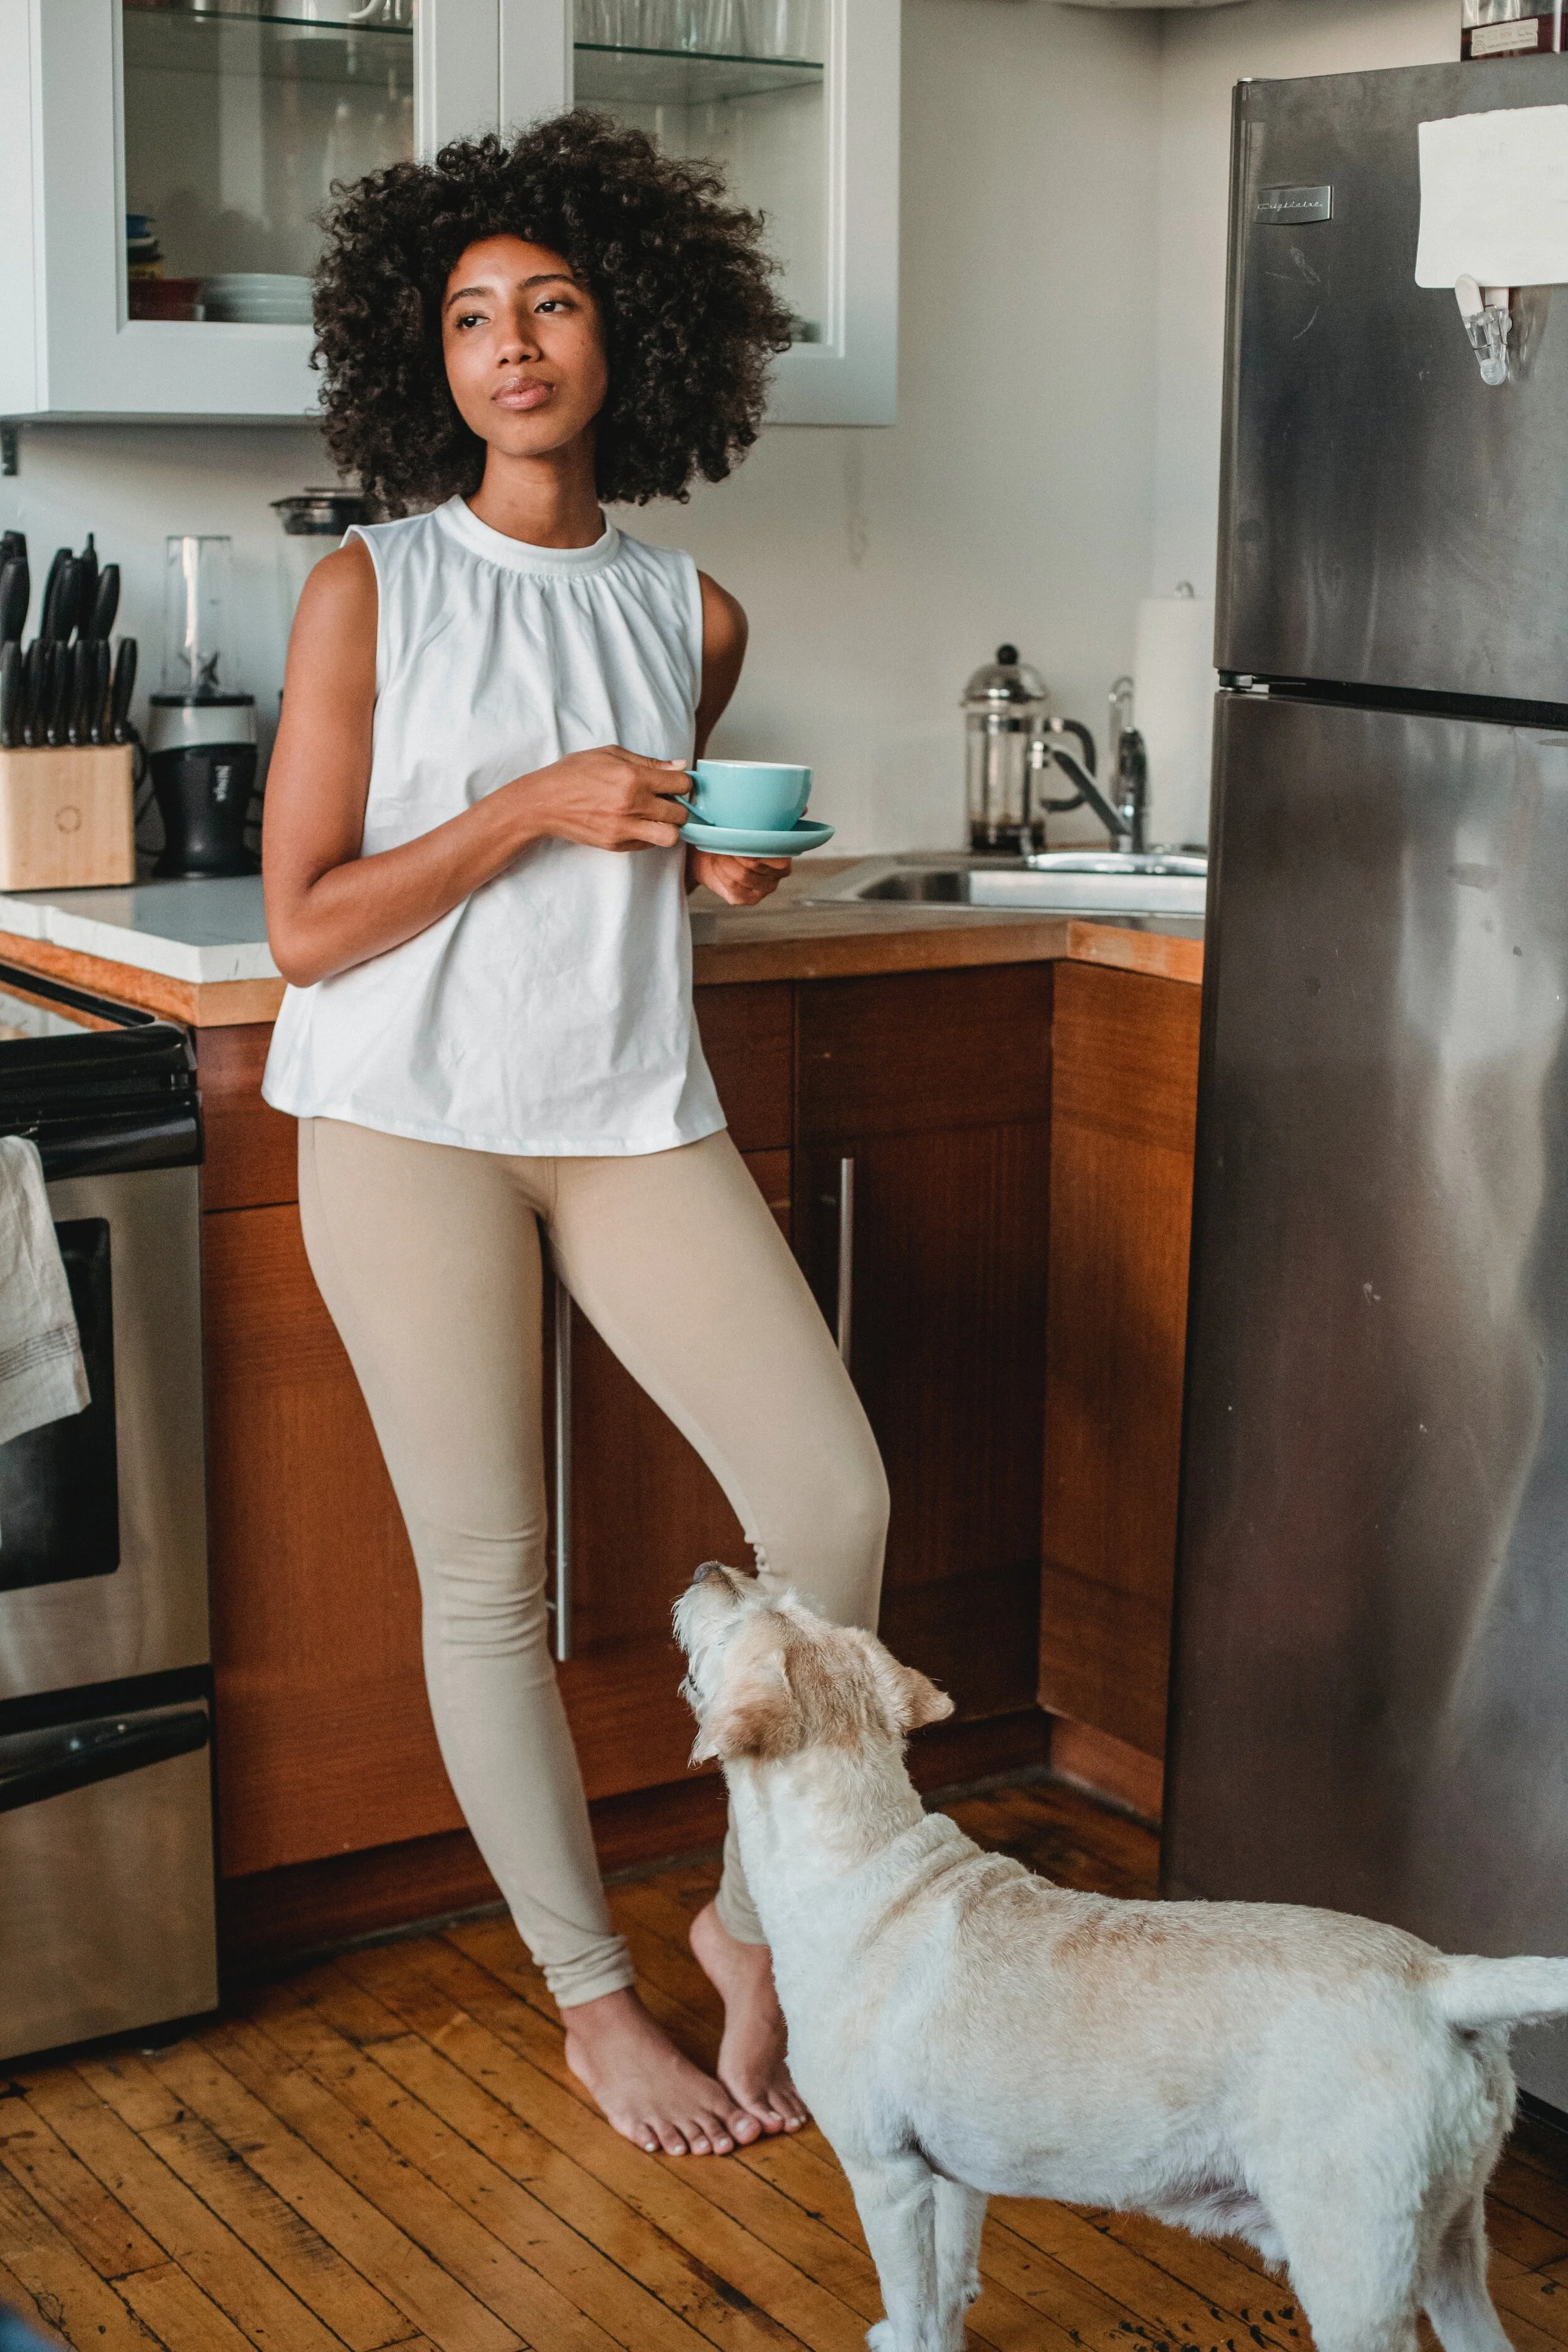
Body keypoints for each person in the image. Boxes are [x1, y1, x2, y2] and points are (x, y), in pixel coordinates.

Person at [260, 114, 890, 2159]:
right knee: (486, 1581)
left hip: (626, 1111)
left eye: (550, 303)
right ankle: (590, 1997)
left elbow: (656, 848)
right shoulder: (372, 587)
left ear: (633, 333)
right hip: (408, 1121)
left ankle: (742, 1912)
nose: (511, 345)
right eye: (467, 315)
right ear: (419, 358)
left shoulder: (688, 610)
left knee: (832, 1500)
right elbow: (309, 923)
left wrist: (716, 878)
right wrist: (533, 803)